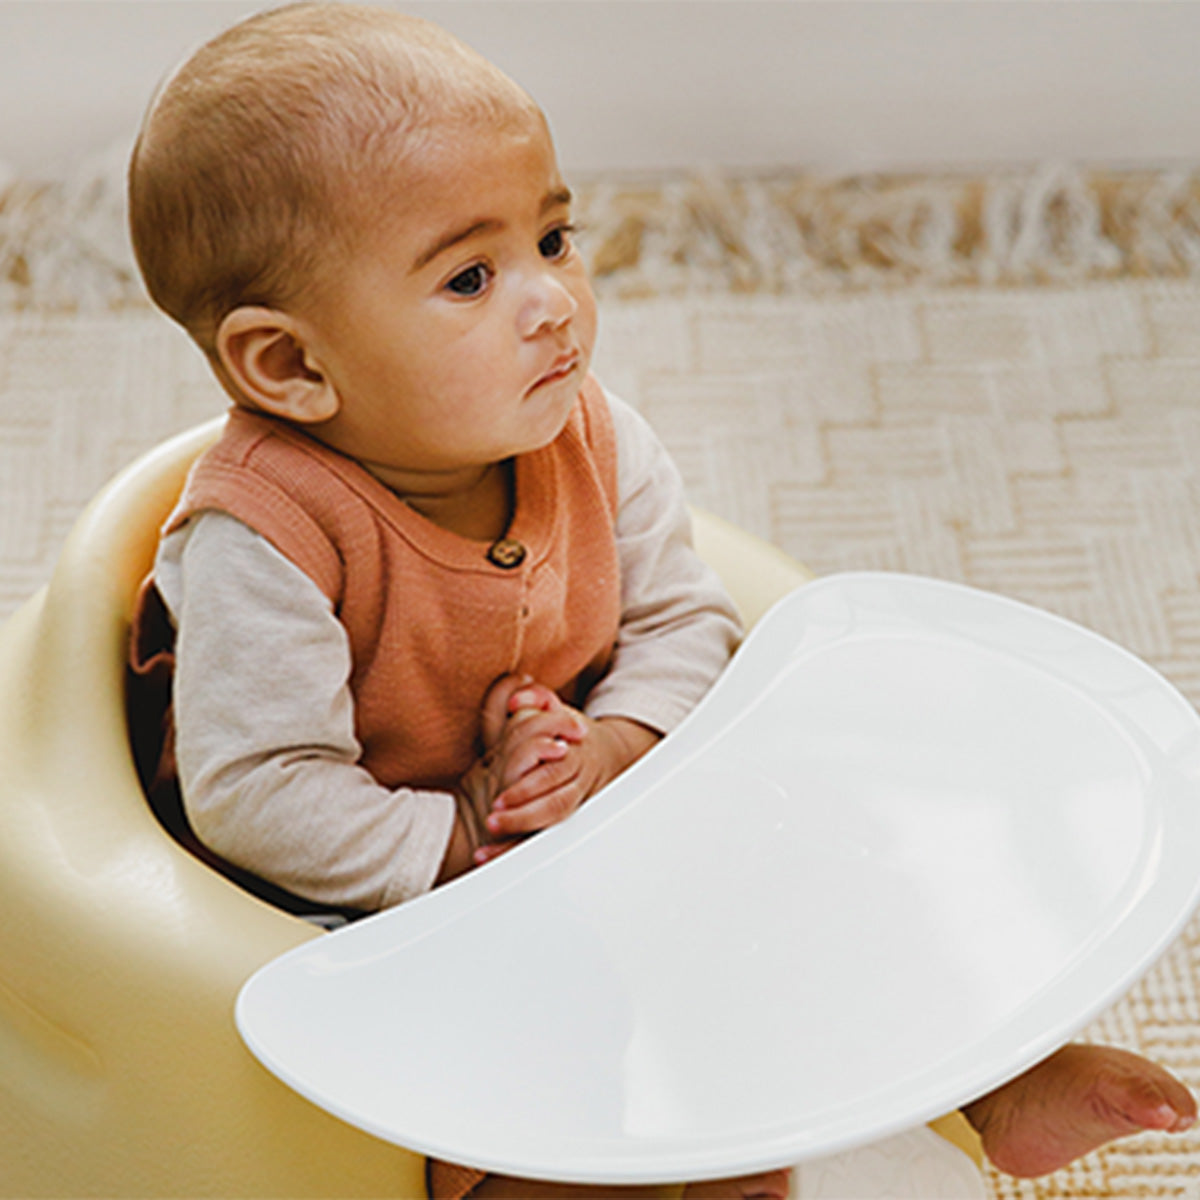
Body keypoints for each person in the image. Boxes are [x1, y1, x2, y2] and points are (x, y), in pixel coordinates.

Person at [125, 5, 1196, 1197]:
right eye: (472, 277)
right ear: (291, 366)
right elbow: (255, 795)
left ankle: (986, 1079)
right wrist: (468, 844)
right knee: (534, 1084)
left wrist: (614, 757)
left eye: (555, 236)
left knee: (821, 856)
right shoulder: (261, 540)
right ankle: (703, 1167)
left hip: (582, 813)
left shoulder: (589, 434)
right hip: (377, 905)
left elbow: (689, 620)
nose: (553, 301)